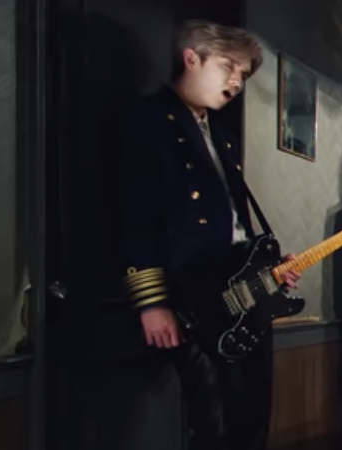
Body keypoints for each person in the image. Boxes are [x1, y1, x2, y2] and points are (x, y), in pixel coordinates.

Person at [115, 20, 300, 450]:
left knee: (254, 418)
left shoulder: (223, 137)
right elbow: (134, 216)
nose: (237, 82)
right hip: (196, 298)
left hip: (243, 294)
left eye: (243, 74)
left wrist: (268, 270)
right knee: (216, 426)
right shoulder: (148, 120)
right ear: (191, 58)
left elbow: (236, 225)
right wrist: (152, 302)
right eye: (228, 67)